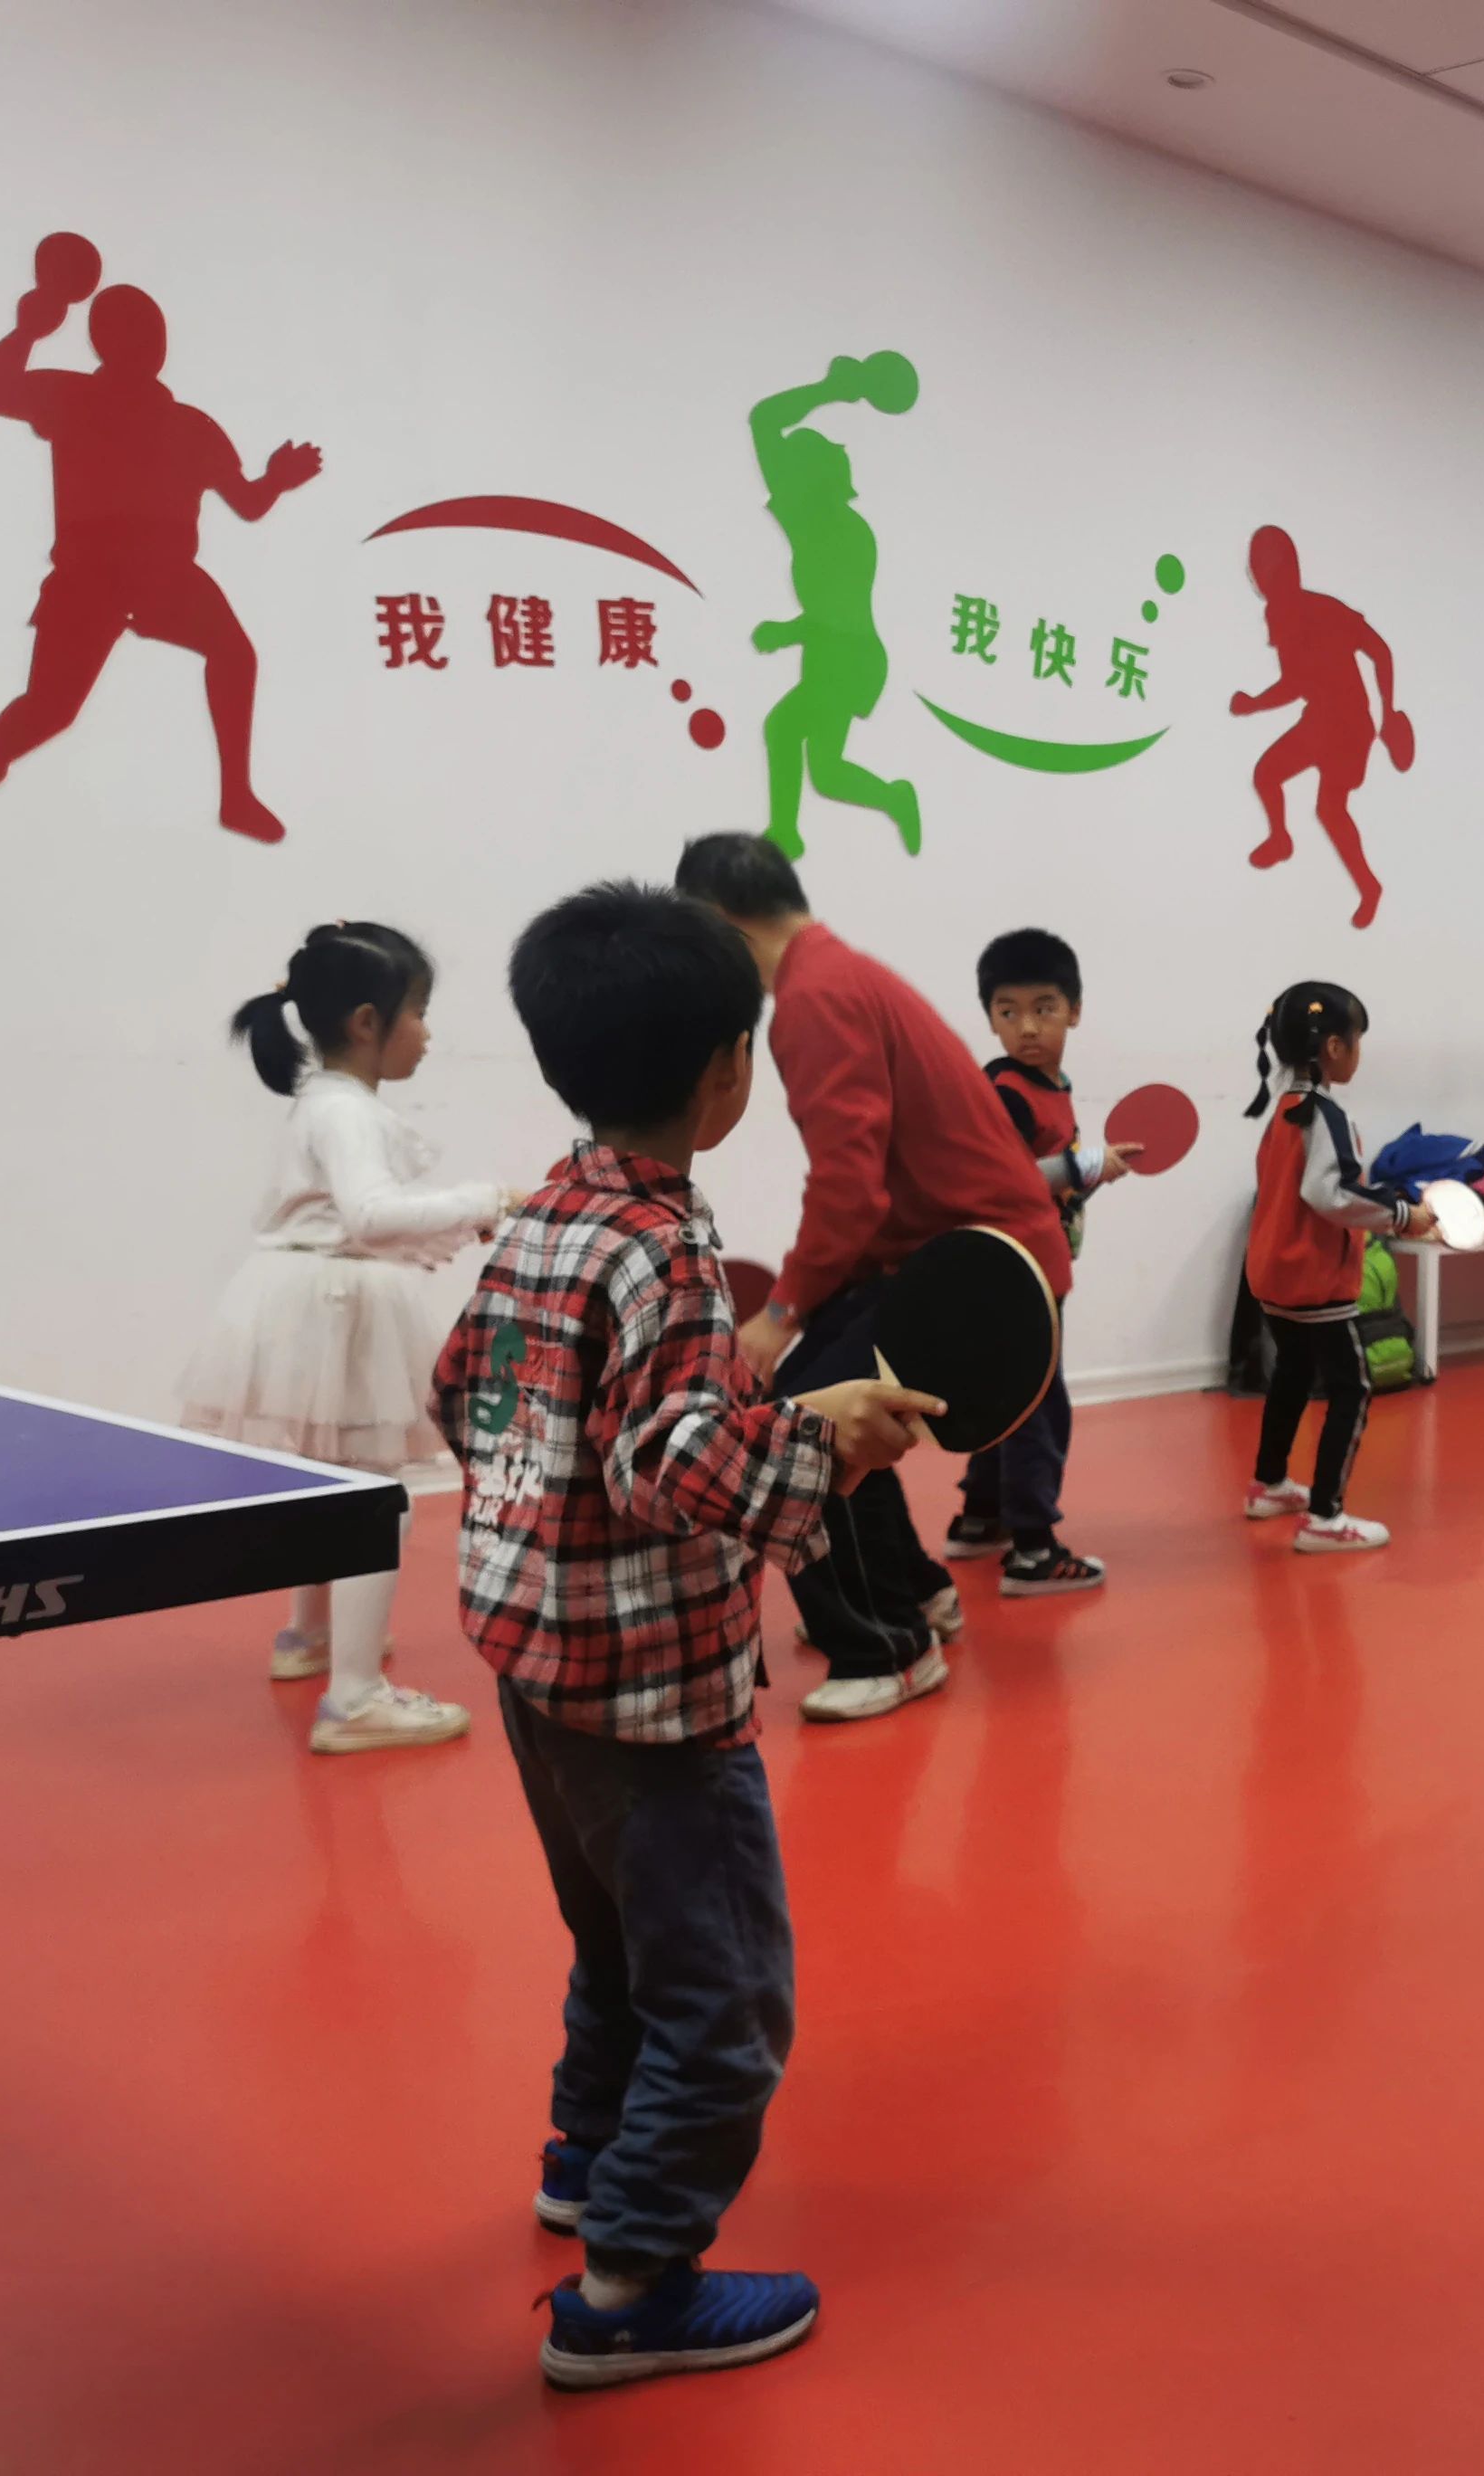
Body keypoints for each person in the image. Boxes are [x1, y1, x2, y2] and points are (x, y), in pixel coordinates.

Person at [438, 879, 935, 2389]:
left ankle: (585, 2161)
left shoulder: (546, 1214)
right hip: (657, 1705)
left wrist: (757, 1412)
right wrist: (823, 1446)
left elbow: (466, 1391)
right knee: (721, 2007)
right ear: (731, 1071)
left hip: (537, 1673)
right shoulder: (663, 1246)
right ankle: (633, 2283)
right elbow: (675, 1466)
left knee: (613, 1942)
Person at [676, 833, 1071, 1719]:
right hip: (955, 1254)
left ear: (720, 925)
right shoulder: (838, 976)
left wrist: (781, 1313)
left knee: (794, 1428)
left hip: (982, 1268)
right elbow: (866, 1189)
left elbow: (849, 1189)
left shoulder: (815, 999)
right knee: (831, 1401)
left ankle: (887, 1647)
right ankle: (917, 1594)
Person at [177, 921, 509, 1754]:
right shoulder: (349, 1114)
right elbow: (370, 1216)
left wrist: (451, 1222)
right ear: (368, 1022)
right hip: (334, 1307)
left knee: (334, 1486)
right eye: (419, 1013)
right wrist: (486, 1198)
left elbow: (356, 1220)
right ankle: (356, 1697)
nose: (427, 1034)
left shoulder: (325, 1104)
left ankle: (310, 1635)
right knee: (376, 1501)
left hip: (307, 1300)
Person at [0, 255, 321, 843]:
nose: (150, 344)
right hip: (90, 572)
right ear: (105, 341)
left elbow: (248, 503)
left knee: (235, 655)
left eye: (154, 333)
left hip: (164, 573)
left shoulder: (190, 424)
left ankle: (237, 796)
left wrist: (276, 479)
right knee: (51, 709)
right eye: (135, 332)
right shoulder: (72, 396)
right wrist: (27, 331)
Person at [943, 927, 1131, 1595]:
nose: (1026, 1026)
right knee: (1039, 1407)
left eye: (1044, 1008)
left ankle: (981, 1518)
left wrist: (1088, 1175)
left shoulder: (1047, 1086)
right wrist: (1086, 1166)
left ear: (1074, 1011)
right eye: (1008, 1010)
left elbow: (1045, 1181)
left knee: (1008, 1397)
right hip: (1013, 1275)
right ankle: (1032, 1550)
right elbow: (1000, 1178)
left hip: (1029, 1266)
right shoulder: (1005, 1091)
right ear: (989, 1016)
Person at [1241, 981, 1427, 1552]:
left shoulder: (1284, 1110)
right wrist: (1403, 1215)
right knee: (1353, 1387)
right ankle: (1326, 1517)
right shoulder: (1324, 1115)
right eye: (1357, 1041)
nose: (1359, 1053)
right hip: (1314, 1282)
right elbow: (1331, 1193)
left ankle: (1270, 1485)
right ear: (1334, 1048)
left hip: (1273, 1276)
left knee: (1293, 1373)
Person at [748, 352, 922, 859]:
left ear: (820, 476)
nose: (782, 477)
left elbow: (839, 617)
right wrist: (829, 390)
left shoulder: (846, 535)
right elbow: (765, 421)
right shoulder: (810, 520)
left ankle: (787, 833)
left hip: (849, 655)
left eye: (797, 465)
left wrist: (785, 632)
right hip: (833, 653)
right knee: (824, 770)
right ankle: (889, 800)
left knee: (787, 731)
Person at [1230, 525, 1408, 930]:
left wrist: (1253, 704)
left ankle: (1368, 888)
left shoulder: (1293, 611)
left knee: (1328, 807)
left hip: (1345, 726)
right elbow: (1379, 651)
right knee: (1269, 776)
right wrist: (1388, 711)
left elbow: (1294, 684)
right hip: (1327, 721)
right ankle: (1281, 840)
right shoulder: (1317, 607)